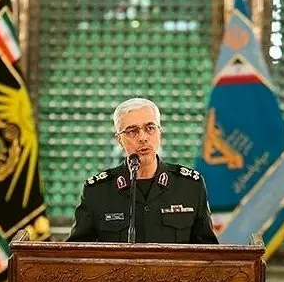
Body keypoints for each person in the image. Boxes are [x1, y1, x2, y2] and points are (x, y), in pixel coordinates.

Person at [67, 98, 218, 244]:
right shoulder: (97, 191)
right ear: (119, 140)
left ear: (159, 132)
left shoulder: (190, 186)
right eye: (132, 131)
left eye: (150, 128)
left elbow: (208, 253)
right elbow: (76, 254)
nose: (143, 138)